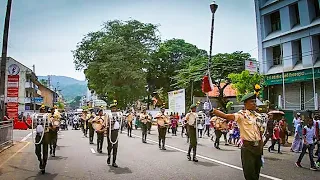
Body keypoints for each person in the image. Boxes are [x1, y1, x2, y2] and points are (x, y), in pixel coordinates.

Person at [211, 90, 264, 180]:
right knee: (249, 175)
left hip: (258, 147)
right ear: (246, 104)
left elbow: (260, 133)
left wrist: (261, 148)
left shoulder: (258, 116)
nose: (254, 103)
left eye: (255, 101)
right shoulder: (241, 115)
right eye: (252, 102)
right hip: (248, 148)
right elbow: (227, 116)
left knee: (256, 173)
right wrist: (213, 110)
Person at [23, 105, 50, 174]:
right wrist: (25, 122)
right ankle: (40, 161)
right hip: (38, 136)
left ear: (45, 111)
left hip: (46, 135)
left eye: (43, 110)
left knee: (45, 151)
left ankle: (44, 165)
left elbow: (53, 125)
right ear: (39, 110)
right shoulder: (35, 117)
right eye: (41, 109)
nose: (42, 111)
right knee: (37, 151)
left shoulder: (48, 117)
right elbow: (31, 126)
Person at [106, 102, 122, 167]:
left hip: (116, 132)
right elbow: (106, 123)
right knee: (110, 146)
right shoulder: (108, 115)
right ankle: (109, 156)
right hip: (110, 131)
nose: (114, 109)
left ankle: (114, 162)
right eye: (113, 108)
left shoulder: (118, 115)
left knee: (115, 147)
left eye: (115, 108)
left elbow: (121, 121)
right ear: (111, 109)